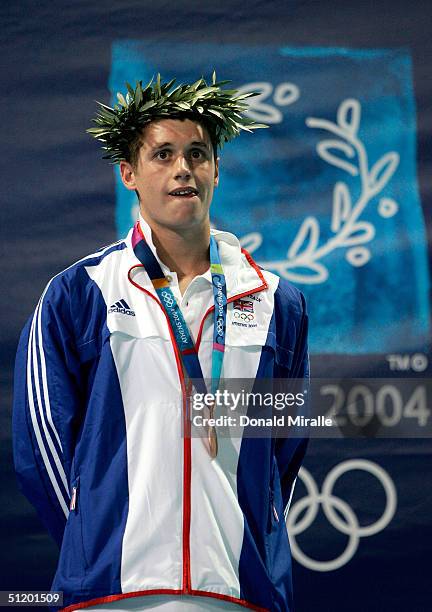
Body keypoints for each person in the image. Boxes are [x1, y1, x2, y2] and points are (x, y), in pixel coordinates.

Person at [13, 73, 309, 612]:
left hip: (240, 590)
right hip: (113, 591)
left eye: (198, 153)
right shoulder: (80, 293)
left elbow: (281, 451)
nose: (183, 169)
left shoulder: (276, 302)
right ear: (129, 172)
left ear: (216, 168)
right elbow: (43, 449)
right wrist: (96, 542)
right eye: (163, 154)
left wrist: (256, 543)